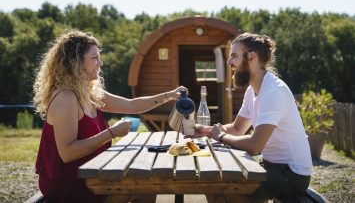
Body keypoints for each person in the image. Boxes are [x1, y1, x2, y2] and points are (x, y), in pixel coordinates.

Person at [33, 30, 185, 202]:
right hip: (69, 183)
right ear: (75, 62)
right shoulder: (65, 98)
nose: (100, 63)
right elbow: (68, 153)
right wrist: (111, 133)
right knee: (145, 187)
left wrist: (169, 96)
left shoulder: (89, 92)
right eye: (94, 58)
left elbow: (131, 105)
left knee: (147, 185)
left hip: (93, 174)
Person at [188, 33, 312, 202]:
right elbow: (238, 129)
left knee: (228, 193)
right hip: (271, 166)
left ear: (252, 57)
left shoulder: (273, 91)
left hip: (291, 174)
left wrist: (222, 136)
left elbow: (255, 146)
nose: (229, 62)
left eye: (234, 56)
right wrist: (206, 131)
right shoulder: (252, 90)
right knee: (219, 185)